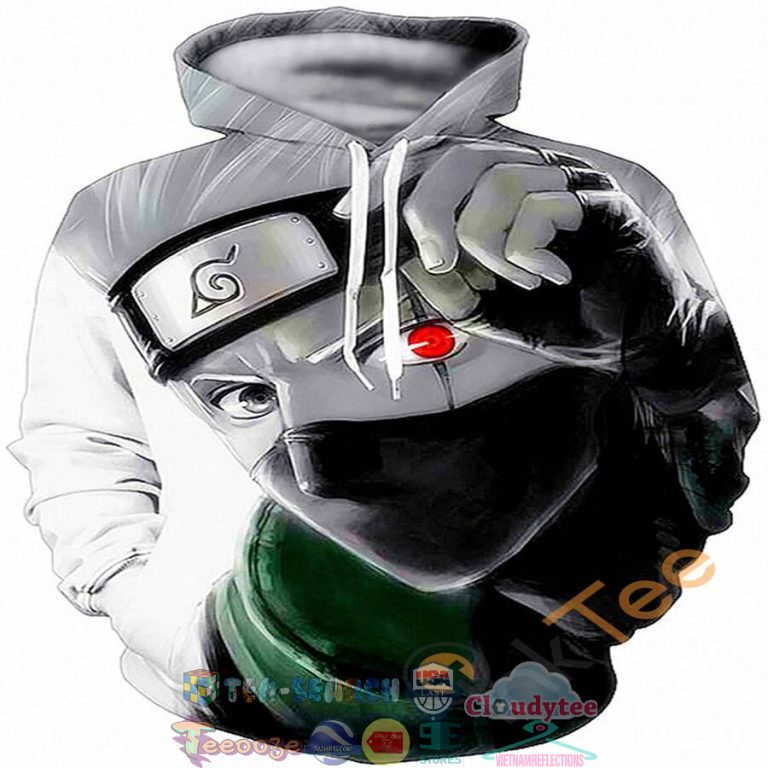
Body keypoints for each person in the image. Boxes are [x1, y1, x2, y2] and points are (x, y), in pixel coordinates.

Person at [10, 7, 757, 760]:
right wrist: (134, 599)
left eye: (407, 348)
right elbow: (78, 435)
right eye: (244, 396)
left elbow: (724, 428)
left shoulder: (595, 193)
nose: (313, 469)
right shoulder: (117, 211)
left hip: (546, 723)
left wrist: (671, 353)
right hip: (209, 715)